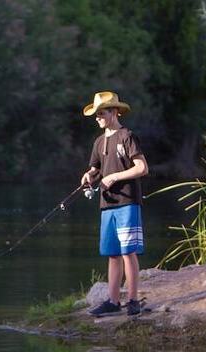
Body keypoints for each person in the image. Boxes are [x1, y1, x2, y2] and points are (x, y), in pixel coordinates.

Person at [80, 91, 149, 317]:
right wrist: (89, 176)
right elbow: (96, 168)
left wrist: (115, 177)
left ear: (115, 112)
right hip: (107, 205)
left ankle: (132, 301)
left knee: (128, 252)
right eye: (96, 114)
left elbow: (142, 168)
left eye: (102, 113)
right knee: (112, 254)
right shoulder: (99, 142)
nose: (98, 117)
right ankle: (112, 301)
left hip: (127, 202)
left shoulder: (127, 136)